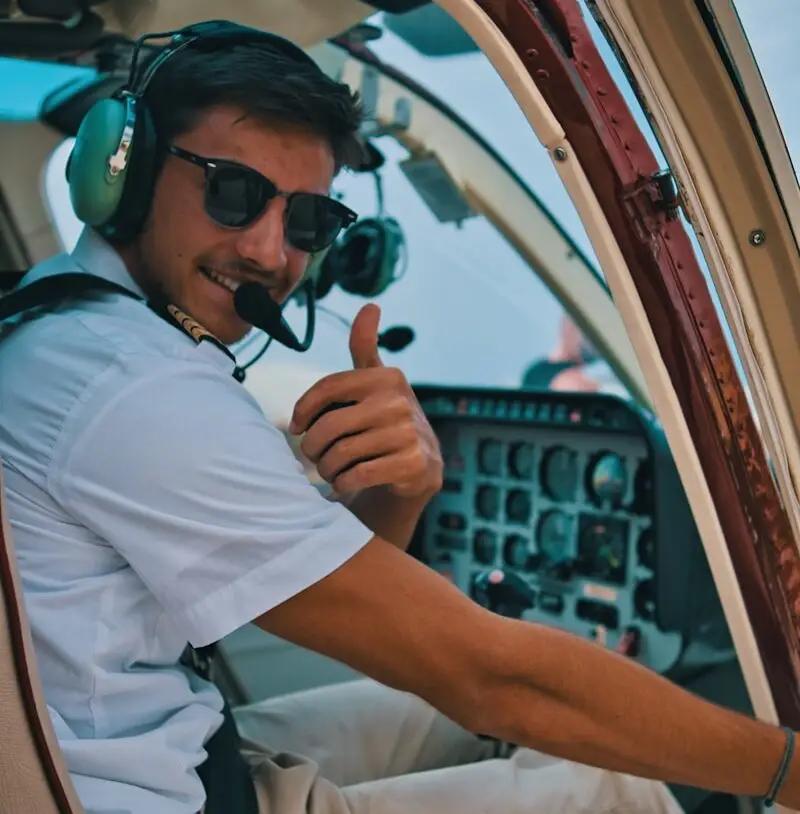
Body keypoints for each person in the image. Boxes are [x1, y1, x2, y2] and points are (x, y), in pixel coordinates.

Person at [0, 20, 798, 814]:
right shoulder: (135, 385)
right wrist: (784, 767)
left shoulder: (59, 325)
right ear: (125, 173)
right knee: (611, 785)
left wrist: (400, 492)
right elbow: (492, 679)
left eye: (307, 220)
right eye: (233, 193)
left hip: (155, 751)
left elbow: (328, 599)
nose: (273, 255)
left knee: (469, 715)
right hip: (154, 793)